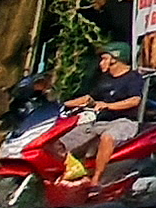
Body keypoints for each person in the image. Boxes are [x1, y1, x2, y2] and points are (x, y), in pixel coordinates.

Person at [58, 46, 146, 185]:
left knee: (107, 138)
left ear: (116, 59)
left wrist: (108, 105)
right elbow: (90, 98)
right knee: (62, 141)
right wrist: (64, 104)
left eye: (104, 58)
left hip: (124, 122)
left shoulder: (133, 77)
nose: (101, 63)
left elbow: (135, 100)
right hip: (98, 122)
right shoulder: (104, 78)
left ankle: (97, 179)